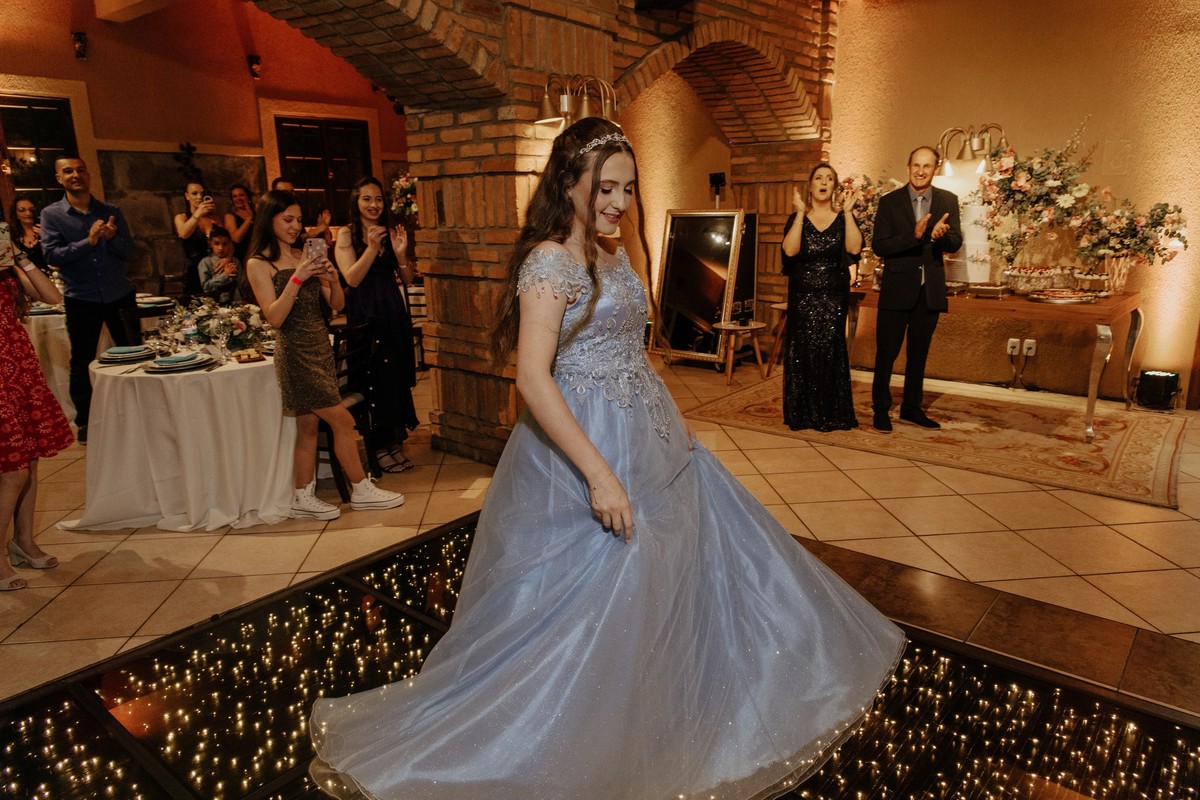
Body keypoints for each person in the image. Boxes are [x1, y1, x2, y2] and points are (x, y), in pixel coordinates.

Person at [308, 118, 904, 800]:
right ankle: (571, 737)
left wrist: (674, 422)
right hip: (584, 447)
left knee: (669, 578)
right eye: (606, 188)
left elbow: (632, 354)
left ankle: (653, 713)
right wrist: (599, 476)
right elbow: (532, 378)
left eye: (628, 188)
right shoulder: (549, 261)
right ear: (570, 183)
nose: (620, 202)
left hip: (646, 433)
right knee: (592, 595)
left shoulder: (613, 253)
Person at [245, 190, 405, 520]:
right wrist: (298, 277)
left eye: (298, 220)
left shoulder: (300, 254)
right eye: (287, 220)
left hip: (320, 347)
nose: (295, 226)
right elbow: (275, 318)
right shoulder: (258, 264)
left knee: (308, 427)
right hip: (295, 353)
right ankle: (361, 489)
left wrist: (331, 280)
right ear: (269, 220)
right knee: (343, 420)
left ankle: (302, 496)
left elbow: (337, 305)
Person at [39, 156, 137, 444]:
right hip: (81, 297)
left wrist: (113, 238)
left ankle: (140, 409)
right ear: (59, 178)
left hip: (119, 293)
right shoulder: (52, 215)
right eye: (68, 171)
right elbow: (52, 256)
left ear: (88, 175)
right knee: (82, 360)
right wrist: (89, 242)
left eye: (80, 170)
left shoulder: (111, 211)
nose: (75, 175)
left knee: (135, 353)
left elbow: (130, 252)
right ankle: (86, 421)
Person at [0, 216, 74, 590]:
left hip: (16, 364)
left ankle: (23, 542)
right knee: (11, 469)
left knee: (29, 459)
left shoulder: (8, 267)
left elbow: (52, 296)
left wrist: (17, 257)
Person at [870, 145, 963, 432]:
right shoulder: (889, 202)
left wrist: (940, 237)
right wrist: (915, 236)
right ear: (908, 167)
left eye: (927, 166)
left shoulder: (948, 200)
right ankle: (881, 410)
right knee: (886, 354)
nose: (920, 171)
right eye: (916, 165)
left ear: (936, 169)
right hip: (897, 288)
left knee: (918, 355)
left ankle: (911, 409)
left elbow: (955, 242)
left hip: (929, 290)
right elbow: (879, 246)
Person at [333, 176, 419, 473]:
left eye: (378, 199)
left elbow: (407, 279)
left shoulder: (389, 232)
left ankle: (395, 444)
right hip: (366, 314)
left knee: (394, 378)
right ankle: (379, 448)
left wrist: (401, 255)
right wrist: (371, 247)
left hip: (392, 311)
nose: (374, 205)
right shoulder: (347, 234)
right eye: (367, 199)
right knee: (375, 379)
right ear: (356, 202)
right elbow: (352, 278)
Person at [780, 162, 862, 431]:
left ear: (834, 186)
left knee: (829, 348)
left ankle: (830, 411)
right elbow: (790, 251)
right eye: (818, 178)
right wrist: (800, 213)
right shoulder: (798, 218)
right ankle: (802, 413)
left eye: (829, 178)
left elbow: (854, 248)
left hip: (834, 296)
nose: (824, 182)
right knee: (803, 349)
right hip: (803, 295)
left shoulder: (843, 218)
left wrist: (848, 213)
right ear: (811, 185)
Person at [174, 180, 218, 295]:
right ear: (187, 196)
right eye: (194, 193)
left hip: (216, 268)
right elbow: (183, 233)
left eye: (202, 193)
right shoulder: (181, 217)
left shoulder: (214, 218)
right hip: (194, 270)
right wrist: (198, 213)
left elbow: (227, 241)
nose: (199, 197)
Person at [197, 225, 241, 304]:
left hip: (235, 302)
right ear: (210, 244)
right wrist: (225, 275)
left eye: (224, 244)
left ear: (229, 244)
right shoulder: (205, 262)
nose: (221, 248)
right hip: (214, 303)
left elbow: (242, 283)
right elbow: (206, 286)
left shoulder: (235, 261)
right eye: (217, 244)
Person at [10, 194, 48, 274]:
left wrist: (48, 237)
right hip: (24, 278)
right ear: (16, 214)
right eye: (22, 210)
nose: (28, 213)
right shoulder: (12, 237)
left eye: (31, 210)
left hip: (50, 276)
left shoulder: (46, 230)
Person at [223, 183, 255, 263]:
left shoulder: (257, 214)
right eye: (235, 196)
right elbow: (236, 239)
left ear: (248, 197)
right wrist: (248, 219)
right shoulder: (230, 216)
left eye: (241, 195)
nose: (238, 198)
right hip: (241, 257)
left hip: (257, 254)